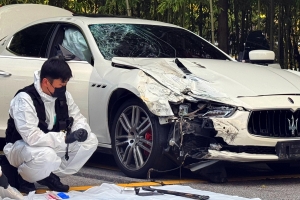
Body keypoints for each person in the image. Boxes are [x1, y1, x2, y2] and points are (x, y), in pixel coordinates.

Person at [3, 56, 98, 194]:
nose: (63, 89)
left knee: (90, 141)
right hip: (20, 148)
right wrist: (64, 139)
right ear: (46, 82)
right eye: (60, 85)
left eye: (65, 85)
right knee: (47, 155)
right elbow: (31, 137)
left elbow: (77, 117)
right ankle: (24, 177)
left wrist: (81, 130)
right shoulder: (24, 99)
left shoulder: (63, 96)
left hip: (48, 145)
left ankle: (45, 175)